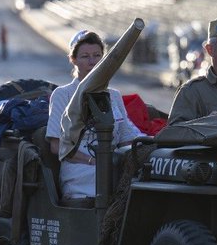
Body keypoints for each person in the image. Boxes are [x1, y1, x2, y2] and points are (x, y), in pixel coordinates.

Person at [45, 30, 144, 201]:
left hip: (112, 167)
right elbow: (57, 146)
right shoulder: (63, 95)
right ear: (73, 60)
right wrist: (94, 161)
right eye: (85, 56)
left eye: (97, 55)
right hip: (81, 171)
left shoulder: (113, 95)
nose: (92, 61)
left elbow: (127, 138)